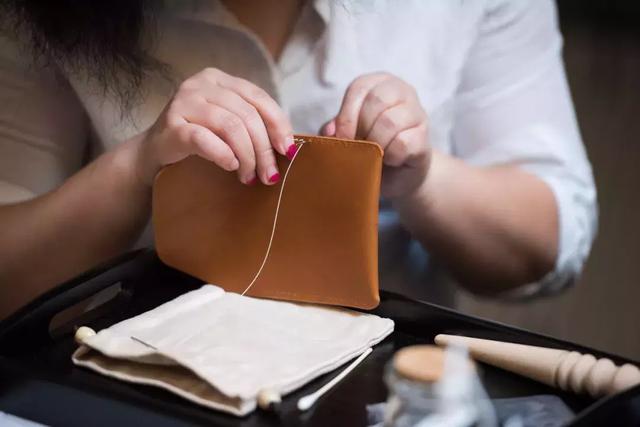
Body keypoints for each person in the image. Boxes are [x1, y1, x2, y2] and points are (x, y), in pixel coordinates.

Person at [0, 0, 596, 318]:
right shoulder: (46, 12)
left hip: (380, 393)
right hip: (125, 391)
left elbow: (548, 243)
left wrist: (424, 179)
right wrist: (136, 168)